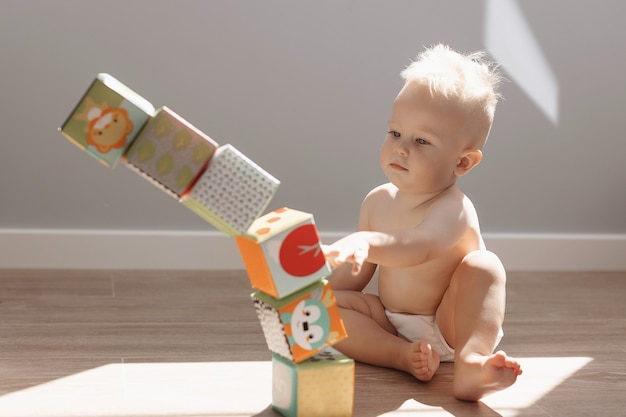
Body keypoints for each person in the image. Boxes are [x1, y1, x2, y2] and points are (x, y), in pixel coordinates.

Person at [322, 44, 522, 401]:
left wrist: (367, 241)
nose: (401, 148)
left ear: (462, 163)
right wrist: (319, 282)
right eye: (395, 133)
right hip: (390, 319)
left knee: (484, 265)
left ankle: (471, 361)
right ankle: (398, 355)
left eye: (422, 141)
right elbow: (356, 278)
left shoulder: (453, 209)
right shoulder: (377, 200)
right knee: (326, 310)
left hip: (449, 322)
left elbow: (418, 247)